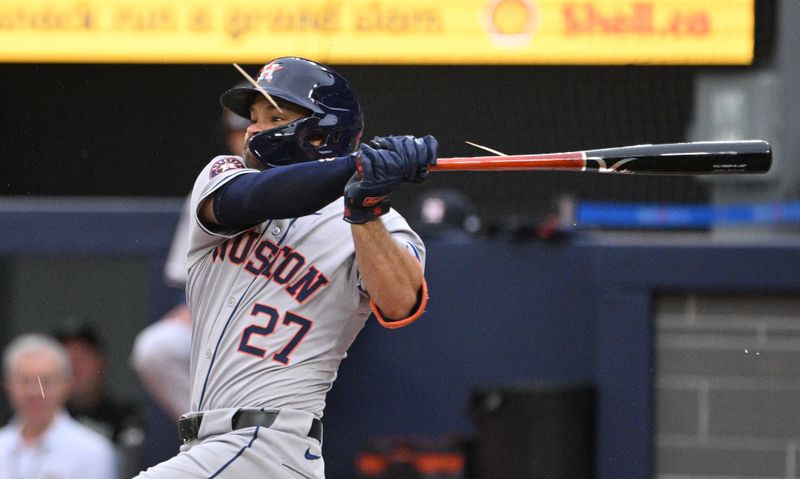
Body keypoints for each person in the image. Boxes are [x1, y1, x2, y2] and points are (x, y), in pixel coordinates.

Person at [133, 56, 437, 478]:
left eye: (274, 117)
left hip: (266, 444)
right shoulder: (224, 175)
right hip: (213, 447)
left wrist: (366, 209)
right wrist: (356, 167)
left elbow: (401, 304)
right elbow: (252, 200)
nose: (254, 129)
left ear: (323, 133)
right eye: (253, 117)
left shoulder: (383, 227)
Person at [130, 84, 250, 422]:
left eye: (250, 128)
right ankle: (210, 431)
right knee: (156, 349)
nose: (243, 139)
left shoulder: (302, 183)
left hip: (284, 318)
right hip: (219, 312)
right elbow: (188, 279)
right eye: (236, 132)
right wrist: (193, 310)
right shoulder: (211, 185)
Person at [0, 333, 118, 479]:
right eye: (24, 381)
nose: (35, 392)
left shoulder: (93, 452)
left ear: (67, 384)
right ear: (8, 385)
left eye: (46, 381)